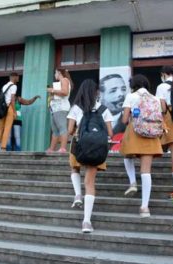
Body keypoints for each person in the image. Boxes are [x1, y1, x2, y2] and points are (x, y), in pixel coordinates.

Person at [68, 79, 113, 233]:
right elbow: (110, 133)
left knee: (75, 168)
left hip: (78, 144)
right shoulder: (103, 109)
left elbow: (69, 130)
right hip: (96, 147)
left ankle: (78, 195)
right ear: (96, 92)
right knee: (90, 183)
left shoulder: (76, 107)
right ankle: (86, 222)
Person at [120, 74, 163, 217]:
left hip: (135, 131)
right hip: (151, 133)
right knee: (146, 171)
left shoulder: (130, 96)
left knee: (127, 155)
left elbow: (125, 119)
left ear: (133, 85)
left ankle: (132, 182)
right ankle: (145, 207)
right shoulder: (155, 98)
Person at [155, 65, 173, 203]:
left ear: (163, 74)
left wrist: (161, 122)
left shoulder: (162, 86)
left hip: (171, 118)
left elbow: (161, 107)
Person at [46, 69, 73, 153]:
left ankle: (63, 148)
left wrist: (52, 90)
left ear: (59, 73)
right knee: (55, 130)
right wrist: (51, 97)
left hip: (61, 108)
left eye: (55, 73)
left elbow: (65, 92)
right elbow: (59, 95)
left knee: (62, 128)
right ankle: (51, 149)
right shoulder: (59, 82)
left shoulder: (64, 80)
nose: (55, 74)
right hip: (55, 109)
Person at [0, 73, 19, 151]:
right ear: (14, 77)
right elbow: (12, 99)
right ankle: (3, 147)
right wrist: (14, 111)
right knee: (7, 128)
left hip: (2, 108)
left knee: (0, 128)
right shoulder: (14, 86)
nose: (18, 78)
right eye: (17, 77)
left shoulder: (4, 86)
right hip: (9, 107)